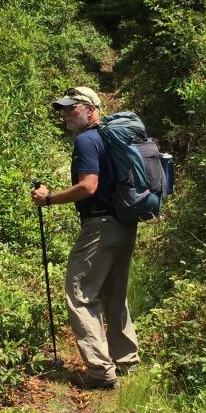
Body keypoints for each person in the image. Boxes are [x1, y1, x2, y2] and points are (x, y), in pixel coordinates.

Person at [30, 86, 140, 389]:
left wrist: (49, 198)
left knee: (79, 294)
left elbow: (88, 186)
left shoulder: (87, 140)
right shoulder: (112, 138)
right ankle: (127, 362)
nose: (65, 114)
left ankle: (100, 371)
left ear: (91, 109)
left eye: (71, 108)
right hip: (124, 225)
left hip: (100, 226)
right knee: (114, 295)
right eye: (63, 109)